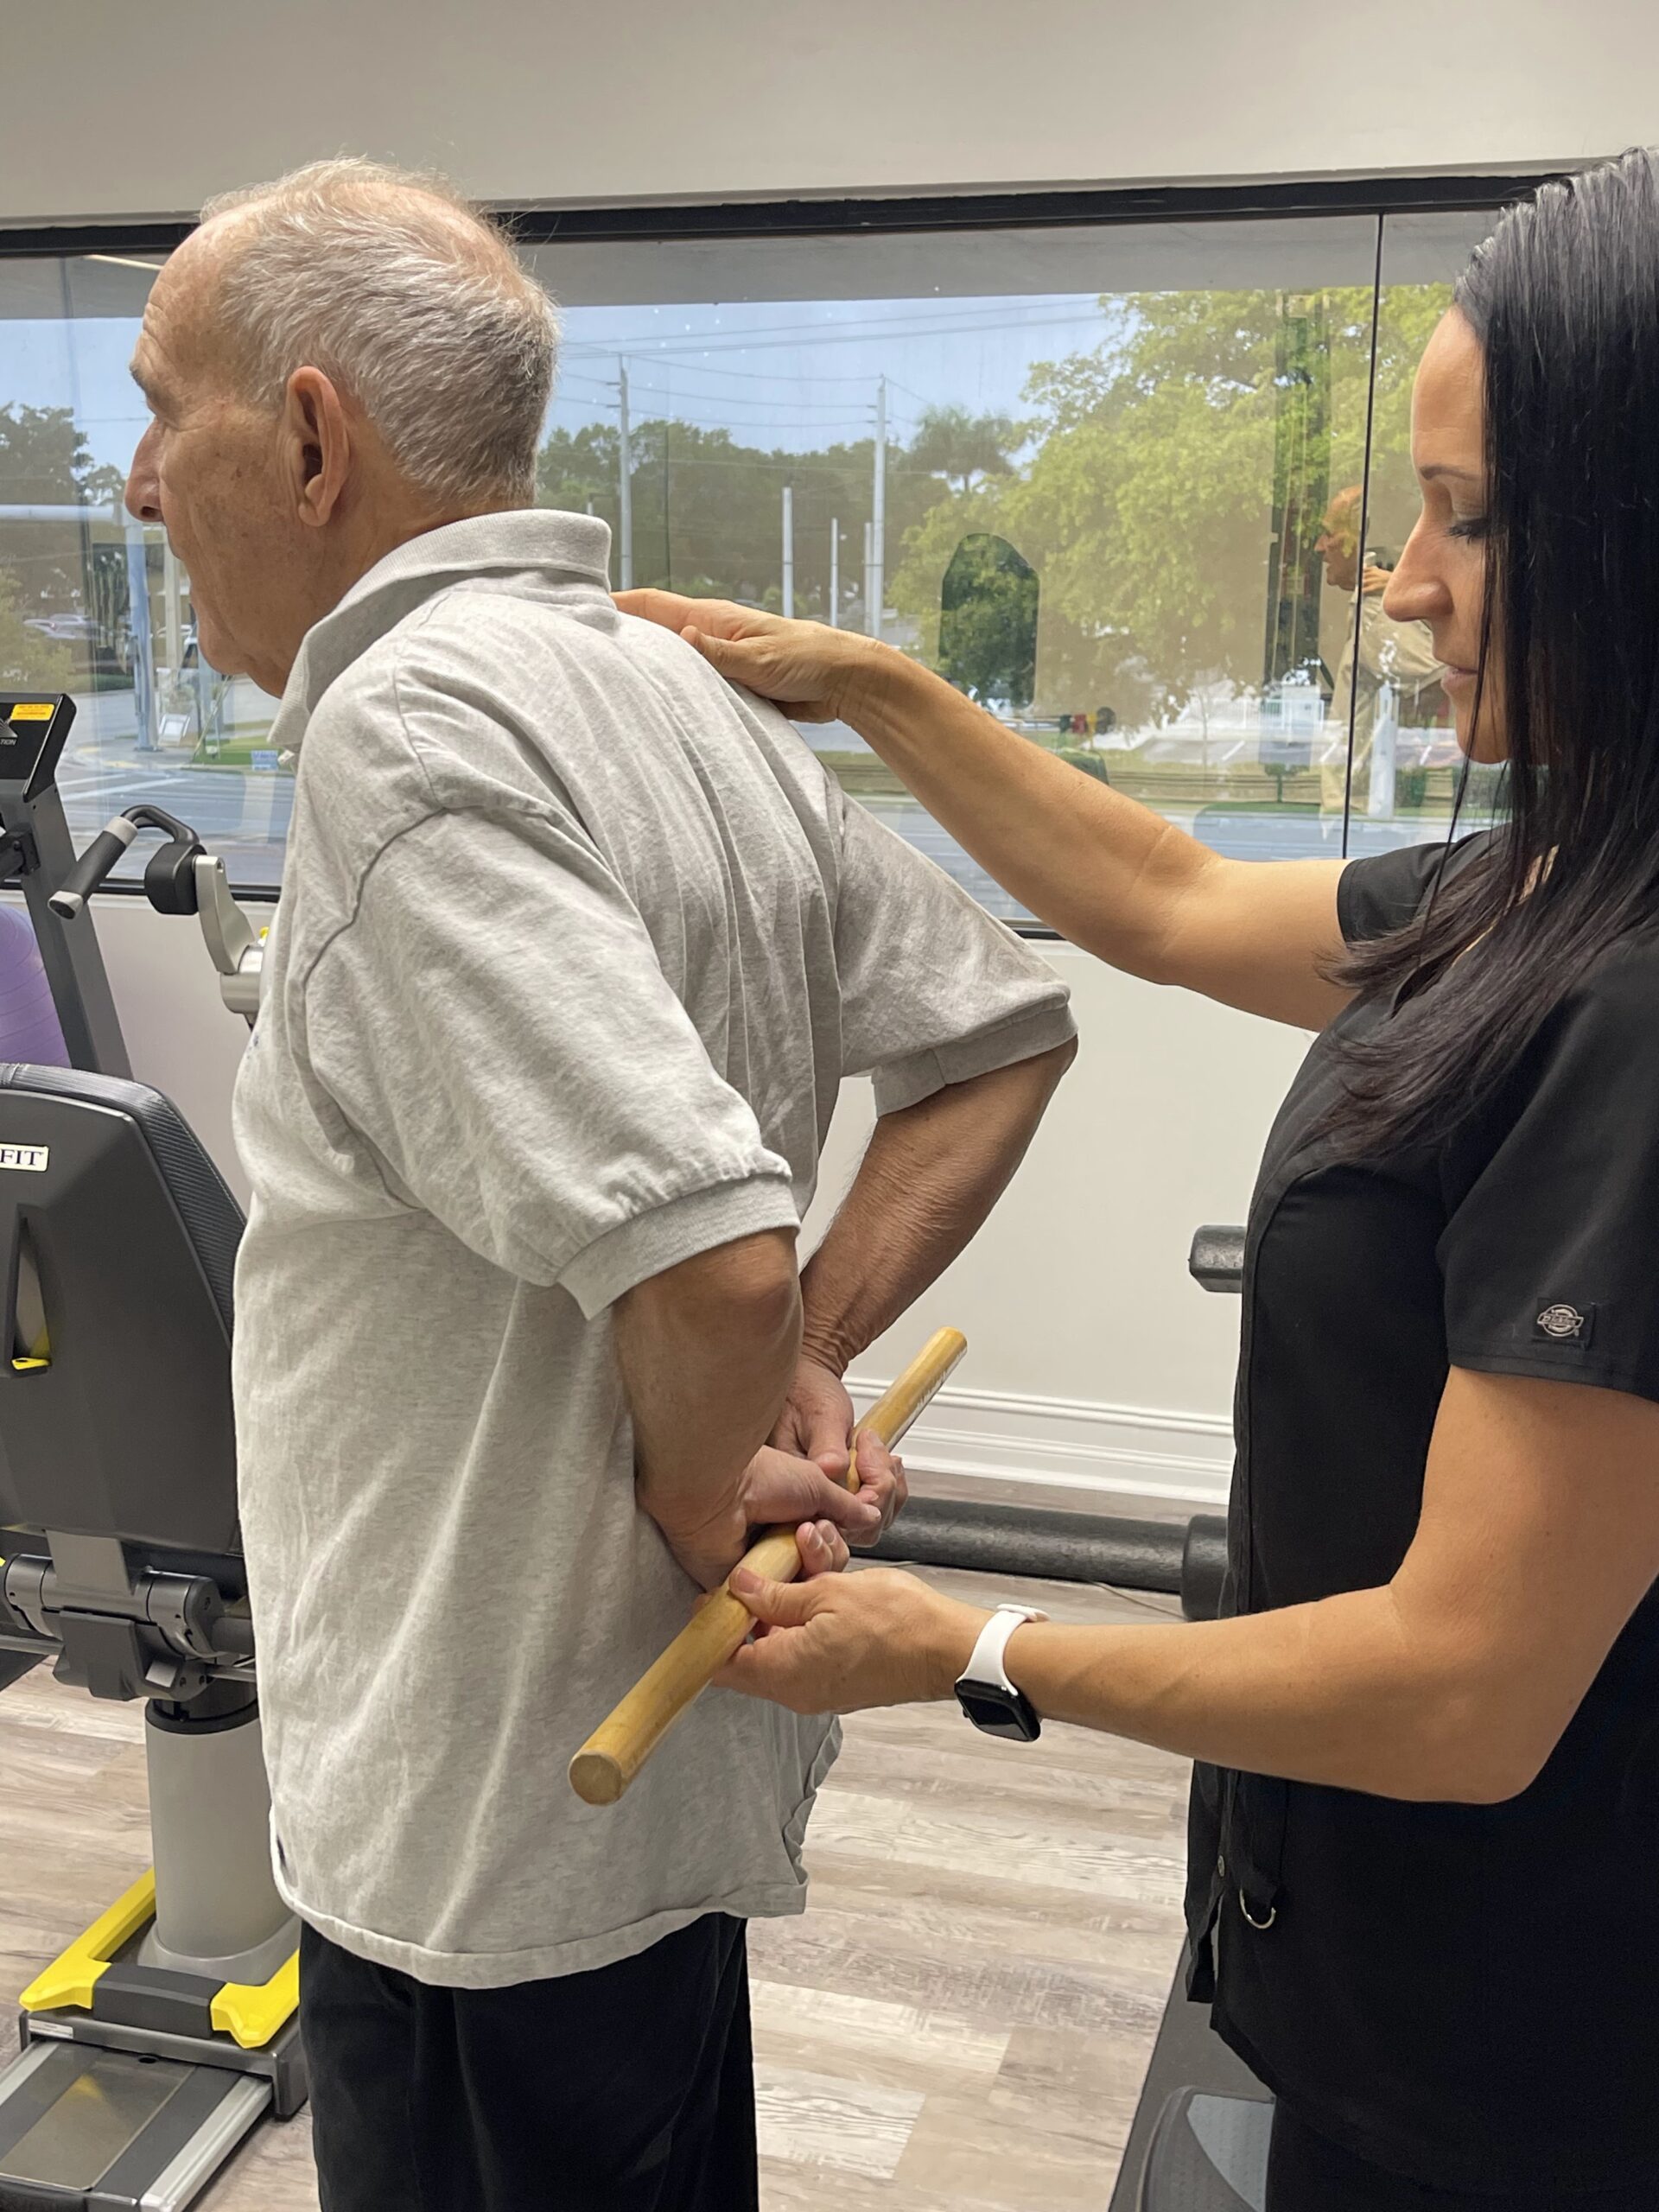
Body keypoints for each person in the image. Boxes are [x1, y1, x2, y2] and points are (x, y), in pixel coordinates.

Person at [622, 149, 1659, 2210]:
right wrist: (872, 687)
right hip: (1367, 1947)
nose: (1399, 584)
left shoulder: (1634, 1005)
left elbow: (1461, 1687)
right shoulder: (1527, 886)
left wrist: (973, 1644)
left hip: (1533, 2053)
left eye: (1463, 519)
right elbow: (1168, 895)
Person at [122, 158, 1077, 2212]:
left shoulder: (406, 725)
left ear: (306, 440)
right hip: (615, 1776)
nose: (129, 482)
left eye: (155, 408)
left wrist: (715, 1451)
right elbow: (997, 1035)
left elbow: (711, 1256)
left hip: (478, 1798)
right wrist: (806, 1364)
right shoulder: (676, 689)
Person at [1313, 482, 1442, 816]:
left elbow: (1435, 681)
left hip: (1359, 813)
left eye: (1330, 533)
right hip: (1357, 809)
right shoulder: (1369, 605)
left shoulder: (1375, 608)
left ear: (1361, 542)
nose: (1319, 547)